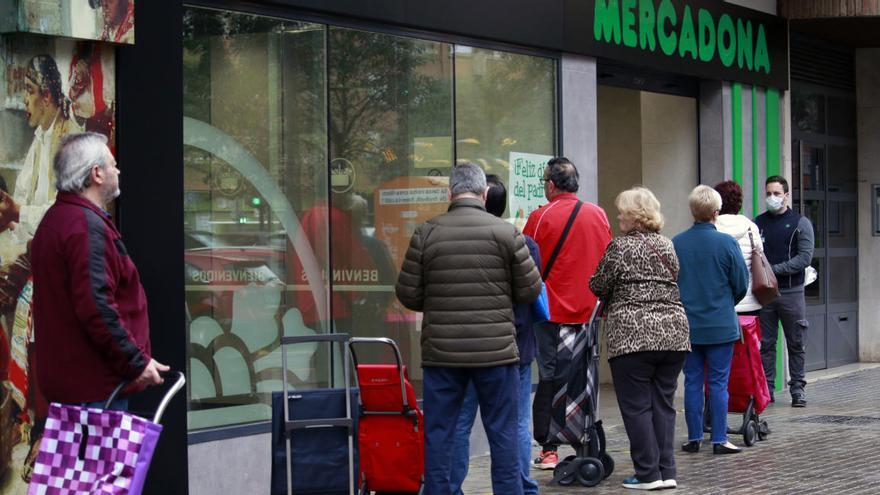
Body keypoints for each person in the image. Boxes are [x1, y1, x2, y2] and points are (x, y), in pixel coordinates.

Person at [396, 163, 542, 495]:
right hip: (496, 353)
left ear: (450, 192)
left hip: (442, 354)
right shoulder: (507, 234)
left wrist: (439, 304)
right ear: (484, 193)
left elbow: (408, 293)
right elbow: (530, 290)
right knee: (503, 434)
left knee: (440, 433)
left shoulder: (426, 232)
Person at [31, 132, 168, 410]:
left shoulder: (59, 219)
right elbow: (97, 308)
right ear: (96, 173)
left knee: (80, 456)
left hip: (80, 387)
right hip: (96, 391)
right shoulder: (83, 226)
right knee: (104, 457)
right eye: (112, 163)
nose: (117, 170)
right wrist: (135, 362)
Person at [590, 187, 690, 490]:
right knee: (663, 404)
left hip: (633, 335)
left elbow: (598, 284)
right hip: (673, 334)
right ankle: (666, 470)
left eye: (622, 210)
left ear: (634, 215)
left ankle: (647, 474)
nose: (618, 215)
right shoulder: (668, 245)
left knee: (636, 407)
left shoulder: (620, 248)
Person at [450, 175, 541, 495]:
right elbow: (532, 292)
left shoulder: (454, 240)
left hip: (465, 346)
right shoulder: (522, 242)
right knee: (515, 422)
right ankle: (521, 486)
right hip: (514, 344)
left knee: (460, 422)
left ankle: (451, 488)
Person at [522, 157, 611, 469]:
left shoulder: (540, 216)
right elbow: (606, 260)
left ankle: (549, 449)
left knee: (550, 376)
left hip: (551, 313)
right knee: (583, 375)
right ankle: (583, 438)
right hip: (589, 312)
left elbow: (526, 264)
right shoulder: (597, 214)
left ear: (550, 184)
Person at [673, 185, 749, 455]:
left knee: (692, 381)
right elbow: (741, 283)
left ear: (693, 211)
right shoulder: (727, 243)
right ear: (716, 212)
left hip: (687, 326)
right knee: (718, 382)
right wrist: (725, 303)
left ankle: (694, 438)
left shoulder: (677, 243)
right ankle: (719, 438)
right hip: (720, 325)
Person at [754, 175, 814, 407]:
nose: (772, 198)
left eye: (777, 193)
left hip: (791, 293)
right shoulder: (758, 223)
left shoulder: (800, 223)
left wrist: (772, 270)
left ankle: (797, 389)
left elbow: (804, 258)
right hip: (765, 294)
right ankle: (767, 390)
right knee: (766, 344)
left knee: (796, 342)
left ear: (787, 195)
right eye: (768, 193)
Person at [714, 181, 764, 316]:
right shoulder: (751, 227)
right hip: (750, 303)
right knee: (749, 338)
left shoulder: (712, 228)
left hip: (720, 303)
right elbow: (760, 256)